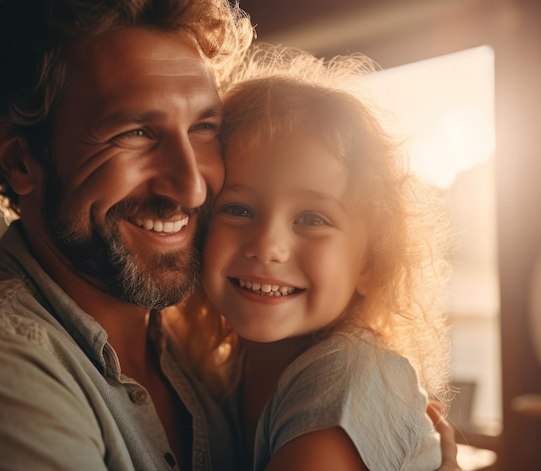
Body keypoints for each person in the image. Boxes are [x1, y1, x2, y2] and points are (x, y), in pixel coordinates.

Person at [0, 0, 460, 469]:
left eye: (203, 128)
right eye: (136, 131)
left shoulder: (198, 361)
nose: (192, 186)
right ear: (21, 159)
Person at [194, 47, 454, 470]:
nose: (267, 245)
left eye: (312, 218)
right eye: (238, 209)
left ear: (371, 262)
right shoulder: (227, 373)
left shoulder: (346, 376)